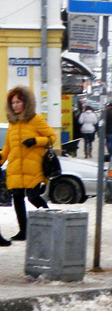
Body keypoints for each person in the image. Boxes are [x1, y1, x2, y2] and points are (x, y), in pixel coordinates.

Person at [0, 86, 55, 244]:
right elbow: (8, 147)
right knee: (17, 198)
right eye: (13, 102)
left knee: (33, 197)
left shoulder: (36, 120)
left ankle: (51, 223)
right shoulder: (12, 123)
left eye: (18, 102)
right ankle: (23, 231)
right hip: (16, 168)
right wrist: (1, 159)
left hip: (33, 168)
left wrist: (36, 141)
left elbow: (52, 137)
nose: (15, 105)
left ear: (26, 103)